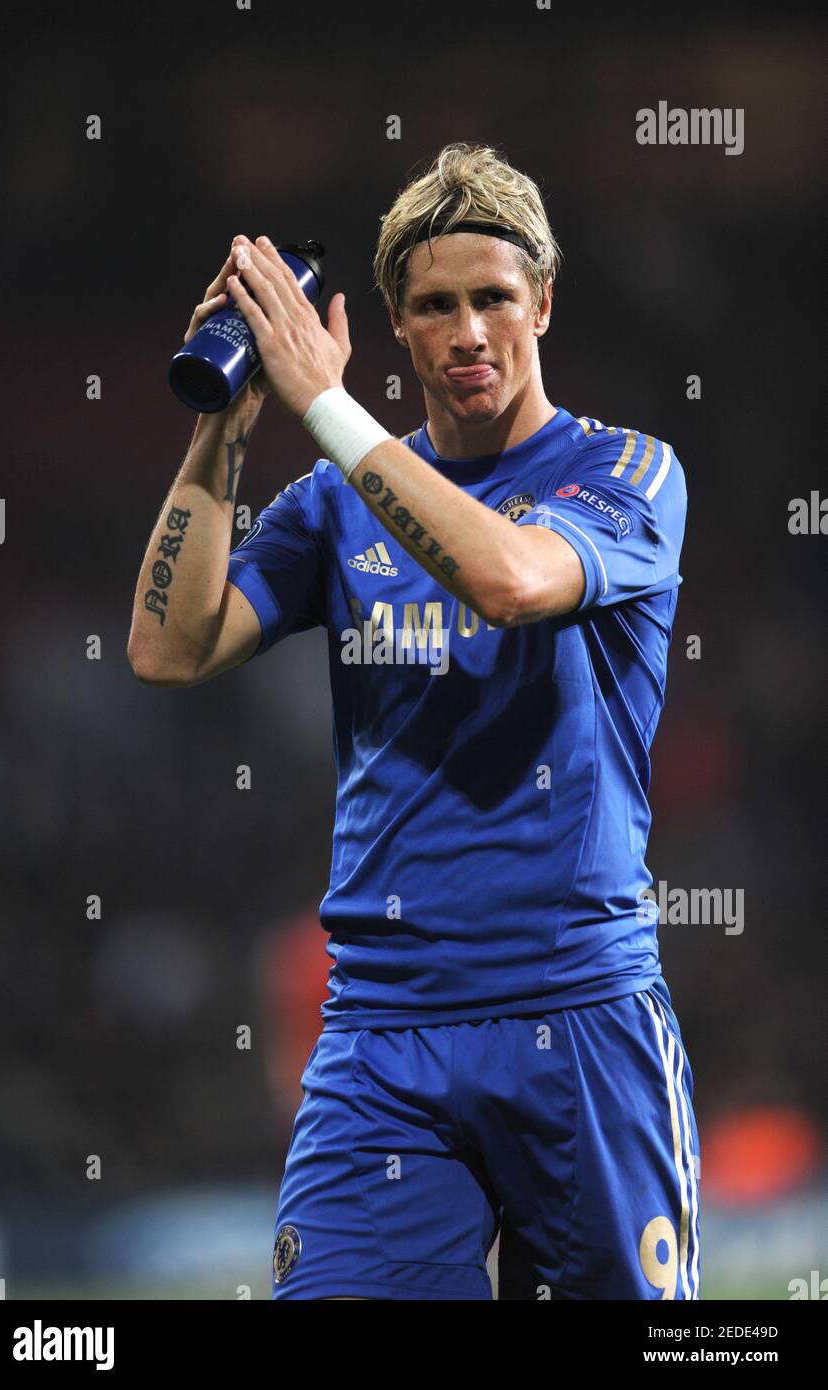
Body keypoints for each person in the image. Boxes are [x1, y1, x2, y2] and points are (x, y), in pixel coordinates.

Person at [127, 142, 700, 1301]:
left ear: (542, 300)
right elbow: (166, 646)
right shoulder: (333, 507)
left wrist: (325, 405)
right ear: (394, 321)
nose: (468, 332)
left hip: (577, 1016)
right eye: (434, 306)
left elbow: (510, 580)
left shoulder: (626, 473)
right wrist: (225, 424)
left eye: (493, 297)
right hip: (382, 1035)